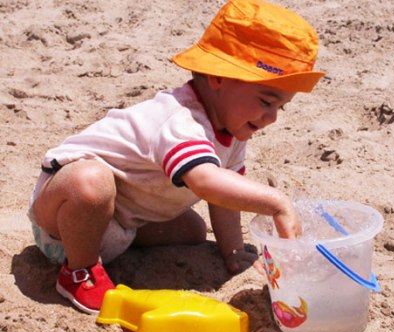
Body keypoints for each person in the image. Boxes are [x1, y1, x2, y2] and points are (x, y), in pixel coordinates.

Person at [28, 0, 325, 315]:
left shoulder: (232, 130)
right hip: (63, 221)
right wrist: (277, 202)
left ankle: (106, 252)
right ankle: (80, 272)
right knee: (91, 182)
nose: (272, 117)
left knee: (193, 230)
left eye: (281, 107)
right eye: (266, 100)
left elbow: (225, 199)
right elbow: (206, 183)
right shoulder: (180, 119)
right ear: (219, 77)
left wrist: (234, 252)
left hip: (121, 225)